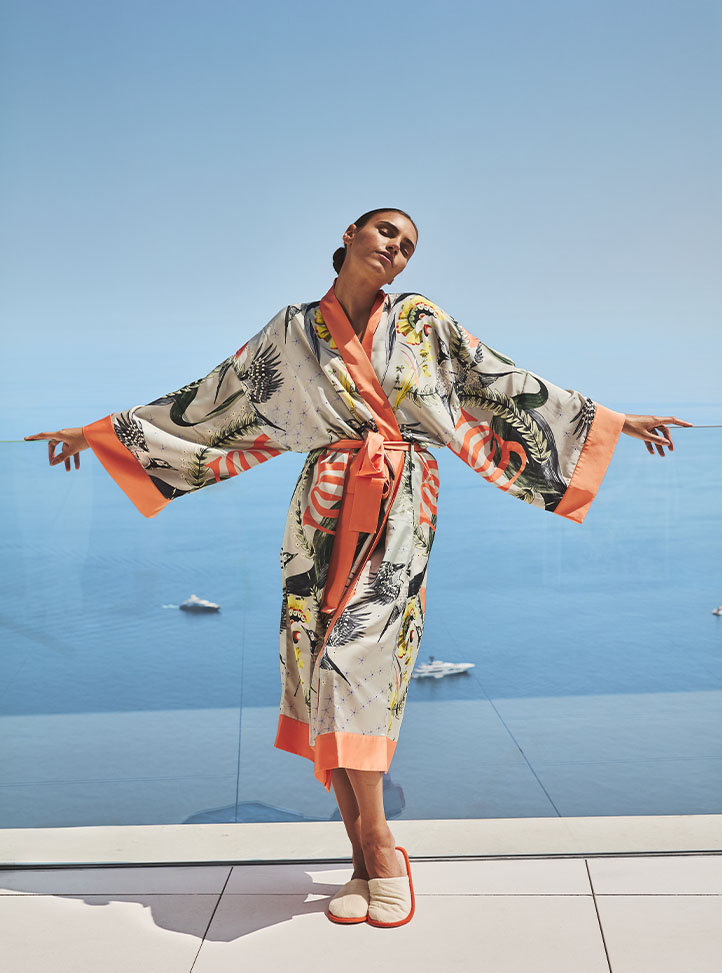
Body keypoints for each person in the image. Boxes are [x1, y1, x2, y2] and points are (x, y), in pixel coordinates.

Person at [25, 207, 692, 926]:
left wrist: (613, 422)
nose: (396, 250)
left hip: (401, 509)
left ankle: (378, 846)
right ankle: (363, 859)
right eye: (385, 233)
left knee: (351, 667)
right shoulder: (290, 331)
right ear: (349, 235)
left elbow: (499, 384)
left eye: (407, 246)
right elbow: (213, 402)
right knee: (323, 677)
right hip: (321, 514)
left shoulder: (421, 322)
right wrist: (101, 436)